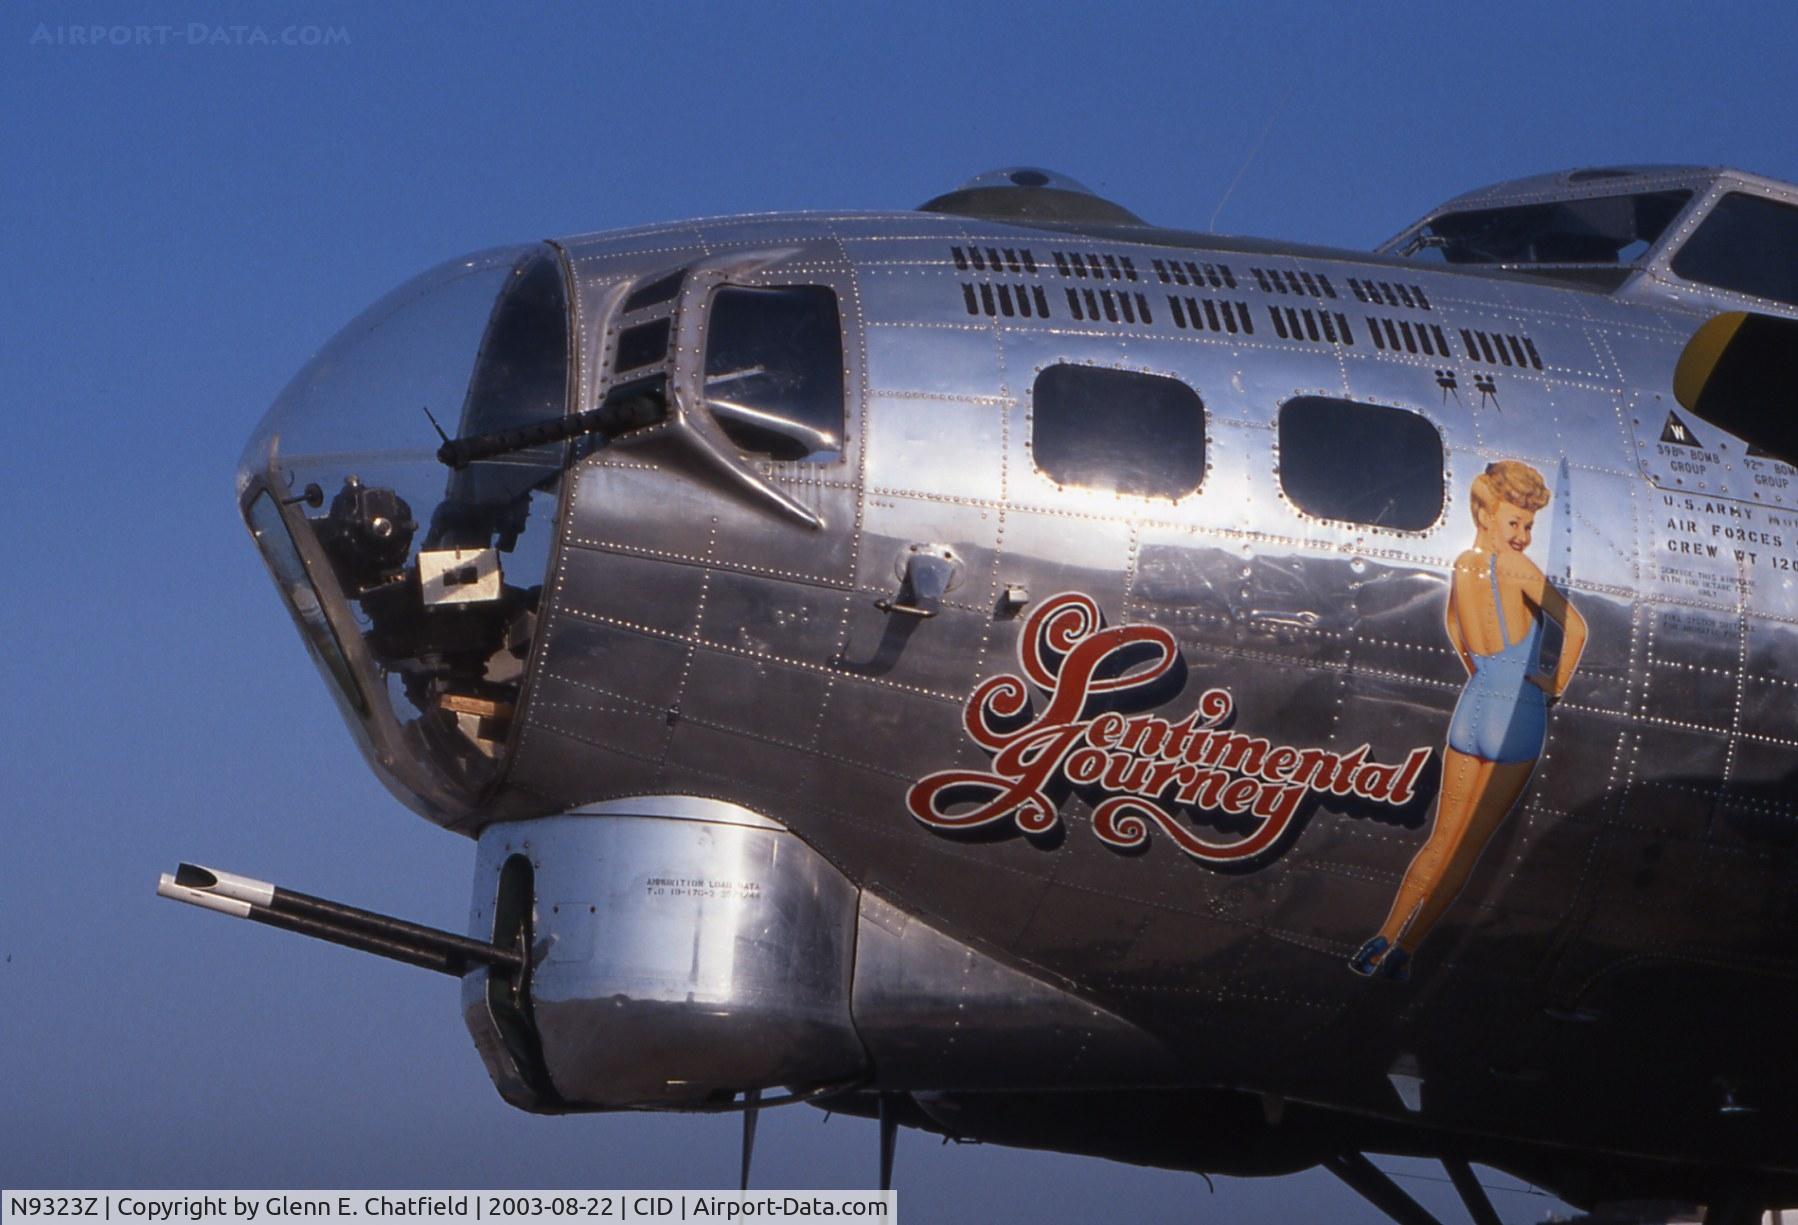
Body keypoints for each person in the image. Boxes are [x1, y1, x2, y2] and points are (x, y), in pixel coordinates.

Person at [1351, 460, 1587, 981]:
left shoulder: (1463, 564)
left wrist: (1482, 672)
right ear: (1486, 514)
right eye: (1515, 523)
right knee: (1466, 849)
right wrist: (1553, 684)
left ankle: (1382, 933)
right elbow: (1574, 627)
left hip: (1472, 706)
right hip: (1516, 716)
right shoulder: (1517, 569)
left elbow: (1456, 628)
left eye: (1528, 526)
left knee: (1440, 840)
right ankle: (1404, 951)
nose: (1523, 536)